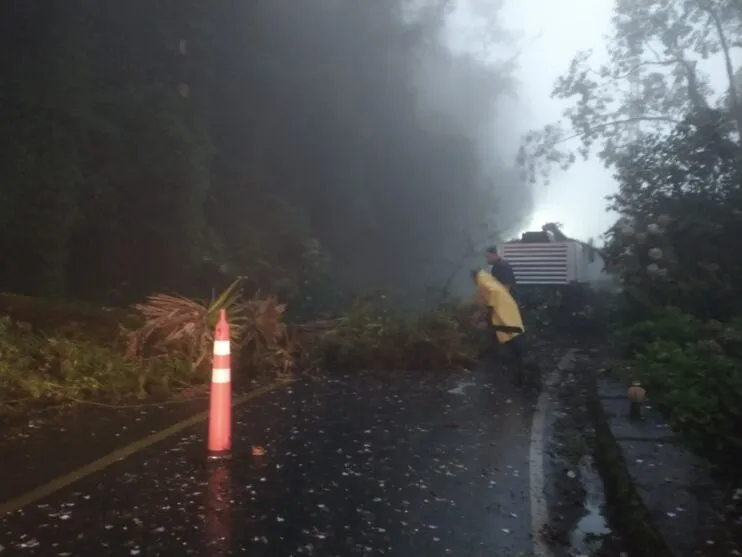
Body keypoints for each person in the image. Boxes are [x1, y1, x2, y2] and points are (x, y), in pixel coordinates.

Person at [471, 269, 532, 386]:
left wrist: (486, 320)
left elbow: (492, 299)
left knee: (515, 347)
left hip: (504, 319)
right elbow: (485, 300)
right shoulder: (487, 281)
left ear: (474, 277)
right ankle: (520, 374)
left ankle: (521, 377)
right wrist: (480, 314)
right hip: (508, 316)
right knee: (515, 345)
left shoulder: (484, 282)